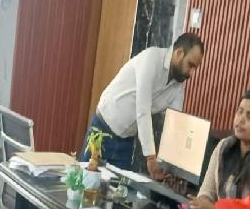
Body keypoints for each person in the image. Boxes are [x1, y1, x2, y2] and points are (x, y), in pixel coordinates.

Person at [81, 33, 205, 177]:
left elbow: (176, 126)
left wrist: (172, 165)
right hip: (101, 130)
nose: (191, 73)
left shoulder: (177, 88)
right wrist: (151, 158)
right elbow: (143, 110)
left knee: (118, 189)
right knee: (84, 182)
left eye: (195, 68)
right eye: (190, 65)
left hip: (126, 143)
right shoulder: (151, 59)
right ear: (179, 53)